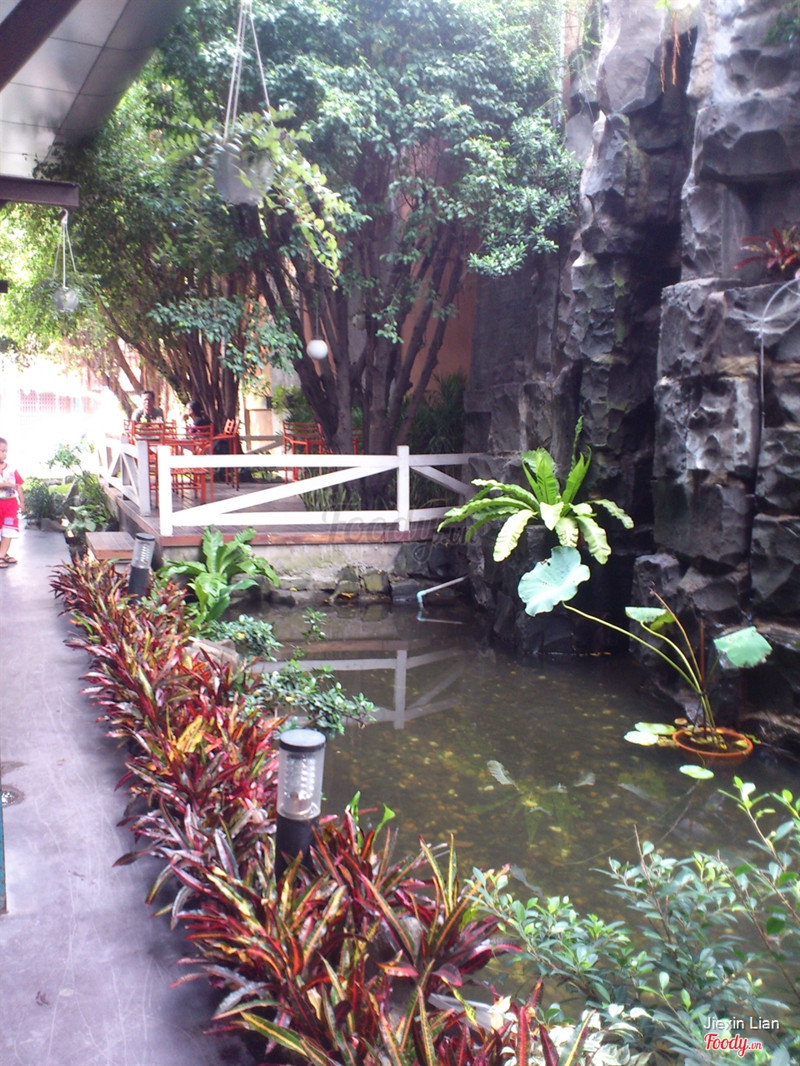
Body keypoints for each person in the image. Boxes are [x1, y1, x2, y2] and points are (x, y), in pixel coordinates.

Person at [0, 436, 25, 569]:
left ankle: (2, 555)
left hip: (10, 505)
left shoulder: (12, 469)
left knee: (8, 530)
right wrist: (5, 485)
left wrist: (22, 502)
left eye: (6, 451)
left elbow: (18, 485)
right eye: (2, 451)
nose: (5, 454)